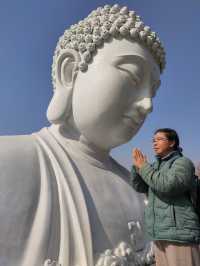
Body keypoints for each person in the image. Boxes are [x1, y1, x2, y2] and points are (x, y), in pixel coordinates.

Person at [0, 4, 166, 266]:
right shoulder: (9, 163)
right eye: (134, 77)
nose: (148, 104)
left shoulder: (135, 189)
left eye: (153, 91)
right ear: (69, 72)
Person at [131, 128, 200, 266]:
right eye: (153, 140)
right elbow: (140, 187)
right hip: (159, 233)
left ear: (172, 142)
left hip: (179, 234)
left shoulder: (183, 163)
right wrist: (137, 168)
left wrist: (144, 167)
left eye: (160, 139)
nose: (154, 143)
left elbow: (168, 185)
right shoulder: (155, 167)